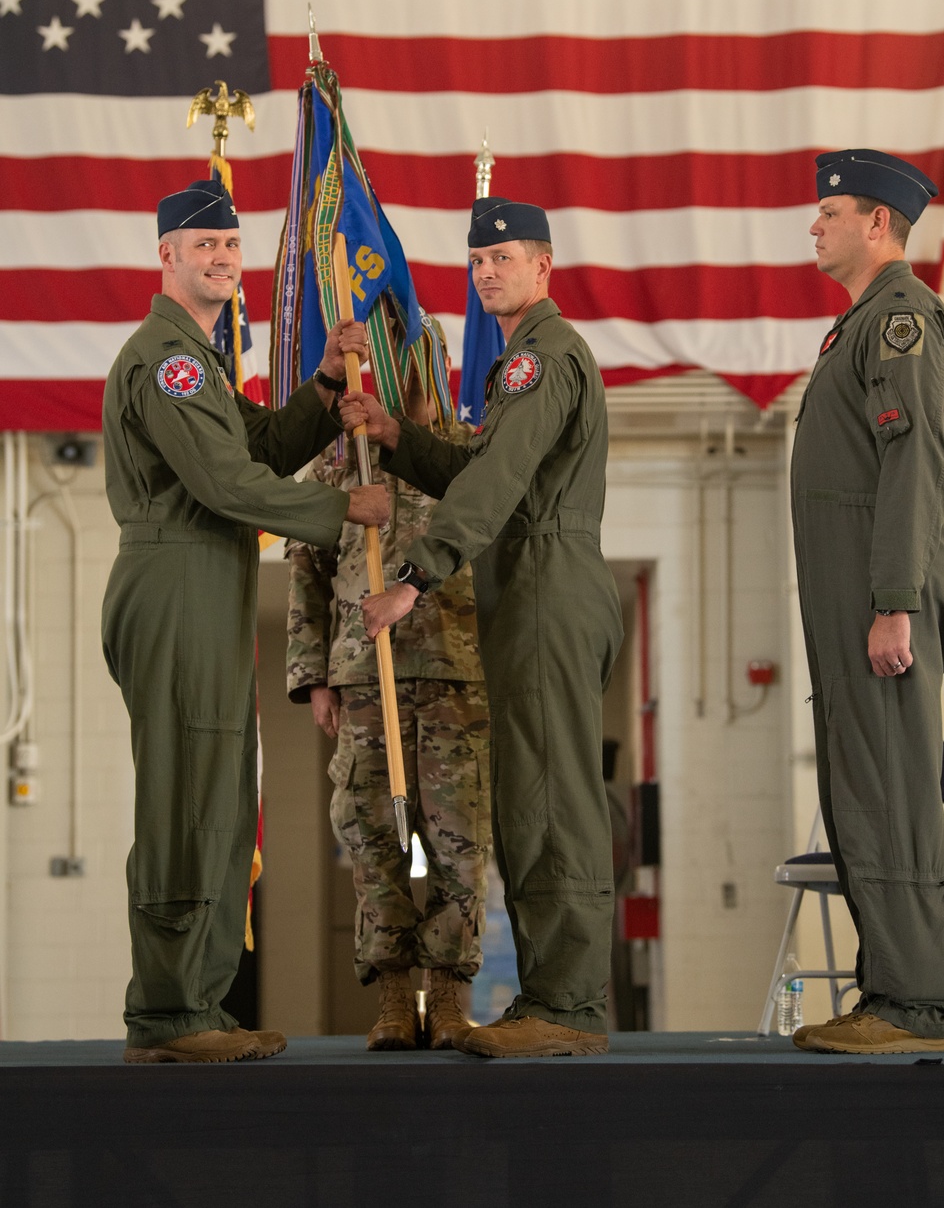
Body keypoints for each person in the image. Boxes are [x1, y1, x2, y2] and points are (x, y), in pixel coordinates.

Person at [101, 178, 388, 1064]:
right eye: (205, 247)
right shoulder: (171, 359)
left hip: (208, 576)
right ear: (167, 257)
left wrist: (324, 385)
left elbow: (253, 450)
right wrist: (348, 511)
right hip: (176, 574)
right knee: (189, 793)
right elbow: (226, 484)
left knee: (221, 792)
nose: (223, 259)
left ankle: (199, 1004)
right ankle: (167, 1015)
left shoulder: (205, 359)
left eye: (231, 245)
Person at [340, 196, 623, 1058]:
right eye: (479, 261)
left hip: (544, 581)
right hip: (533, 584)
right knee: (536, 795)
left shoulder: (542, 357)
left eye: (507, 258)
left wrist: (415, 578)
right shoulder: (524, 361)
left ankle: (566, 1008)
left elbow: (496, 485)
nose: (489, 271)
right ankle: (554, 996)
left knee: (549, 802)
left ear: (544, 267)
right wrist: (400, 436)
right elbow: (479, 464)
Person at [790, 149, 944, 1056]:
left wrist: (894, 600)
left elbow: (912, 468)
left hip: (878, 601)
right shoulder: (861, 324)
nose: (813, 225)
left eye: (829, 210)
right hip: (853, 603)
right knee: (860, 787)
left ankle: (912, 1005)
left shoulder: (901, 320)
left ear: (877, 224)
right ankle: (889, 993)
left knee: (891, 791)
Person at [285, 322, 490, 1050]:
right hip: (363, 677)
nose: (405, 383)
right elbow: (306, 579)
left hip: (454, 679)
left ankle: (452, 996)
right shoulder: (340, 470)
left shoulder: (468, 459)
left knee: (460, 844)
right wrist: (314, 681)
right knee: (371, 839)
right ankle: (396, 1001)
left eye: (417, 370)